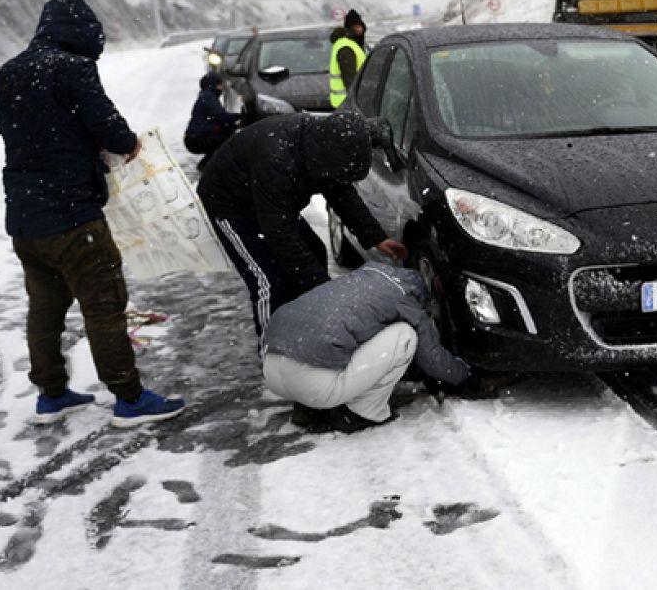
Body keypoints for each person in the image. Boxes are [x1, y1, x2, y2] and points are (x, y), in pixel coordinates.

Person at [0, 0, 186, 428]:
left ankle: (51, 393)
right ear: (83, 34)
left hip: (25, 220)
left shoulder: (3, 76)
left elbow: (37, 133)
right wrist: (130, 143)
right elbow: (112, 133)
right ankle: (129, 398)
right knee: (104, 305)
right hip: (74, 218)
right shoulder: (71, 70)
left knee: (45, 308)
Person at [197, 109, 406, 345]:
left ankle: (303, 332)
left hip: (270, 201)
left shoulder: (326, 146)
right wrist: (324, 291)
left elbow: (341, 193)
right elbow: (281, 234)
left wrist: (375, 237)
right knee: (268, 280)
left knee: (314, 253)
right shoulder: (278, 158)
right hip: (231, 205)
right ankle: (273, 353)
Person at [262, 262, 471, 433]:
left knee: (344, 334)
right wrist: (465, 375)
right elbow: (433, 361)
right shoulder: (407, 301)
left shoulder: (357, 283)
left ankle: (309, 406)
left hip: (272, 371)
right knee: (405, 335)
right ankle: (360, 413)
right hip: (314, 383)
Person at [183, 71, 240, 166]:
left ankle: (207, 164)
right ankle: (207, 165)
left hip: (193, 138)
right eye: (219, 85)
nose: (221, 88)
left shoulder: (205, 96)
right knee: (227, 140)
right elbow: (222, 117)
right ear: (212, 85)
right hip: (197, 139)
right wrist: (238, 116)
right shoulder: (209, 98)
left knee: (227, 131)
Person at [329, 9, 367, 109]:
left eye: (360, 25)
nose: (359, 29)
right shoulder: (346, 46)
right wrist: (356, 100)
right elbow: (350, 78)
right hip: (347, 103)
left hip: (345, 102)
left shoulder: (353, 44)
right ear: (349, 28)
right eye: (355, 26)